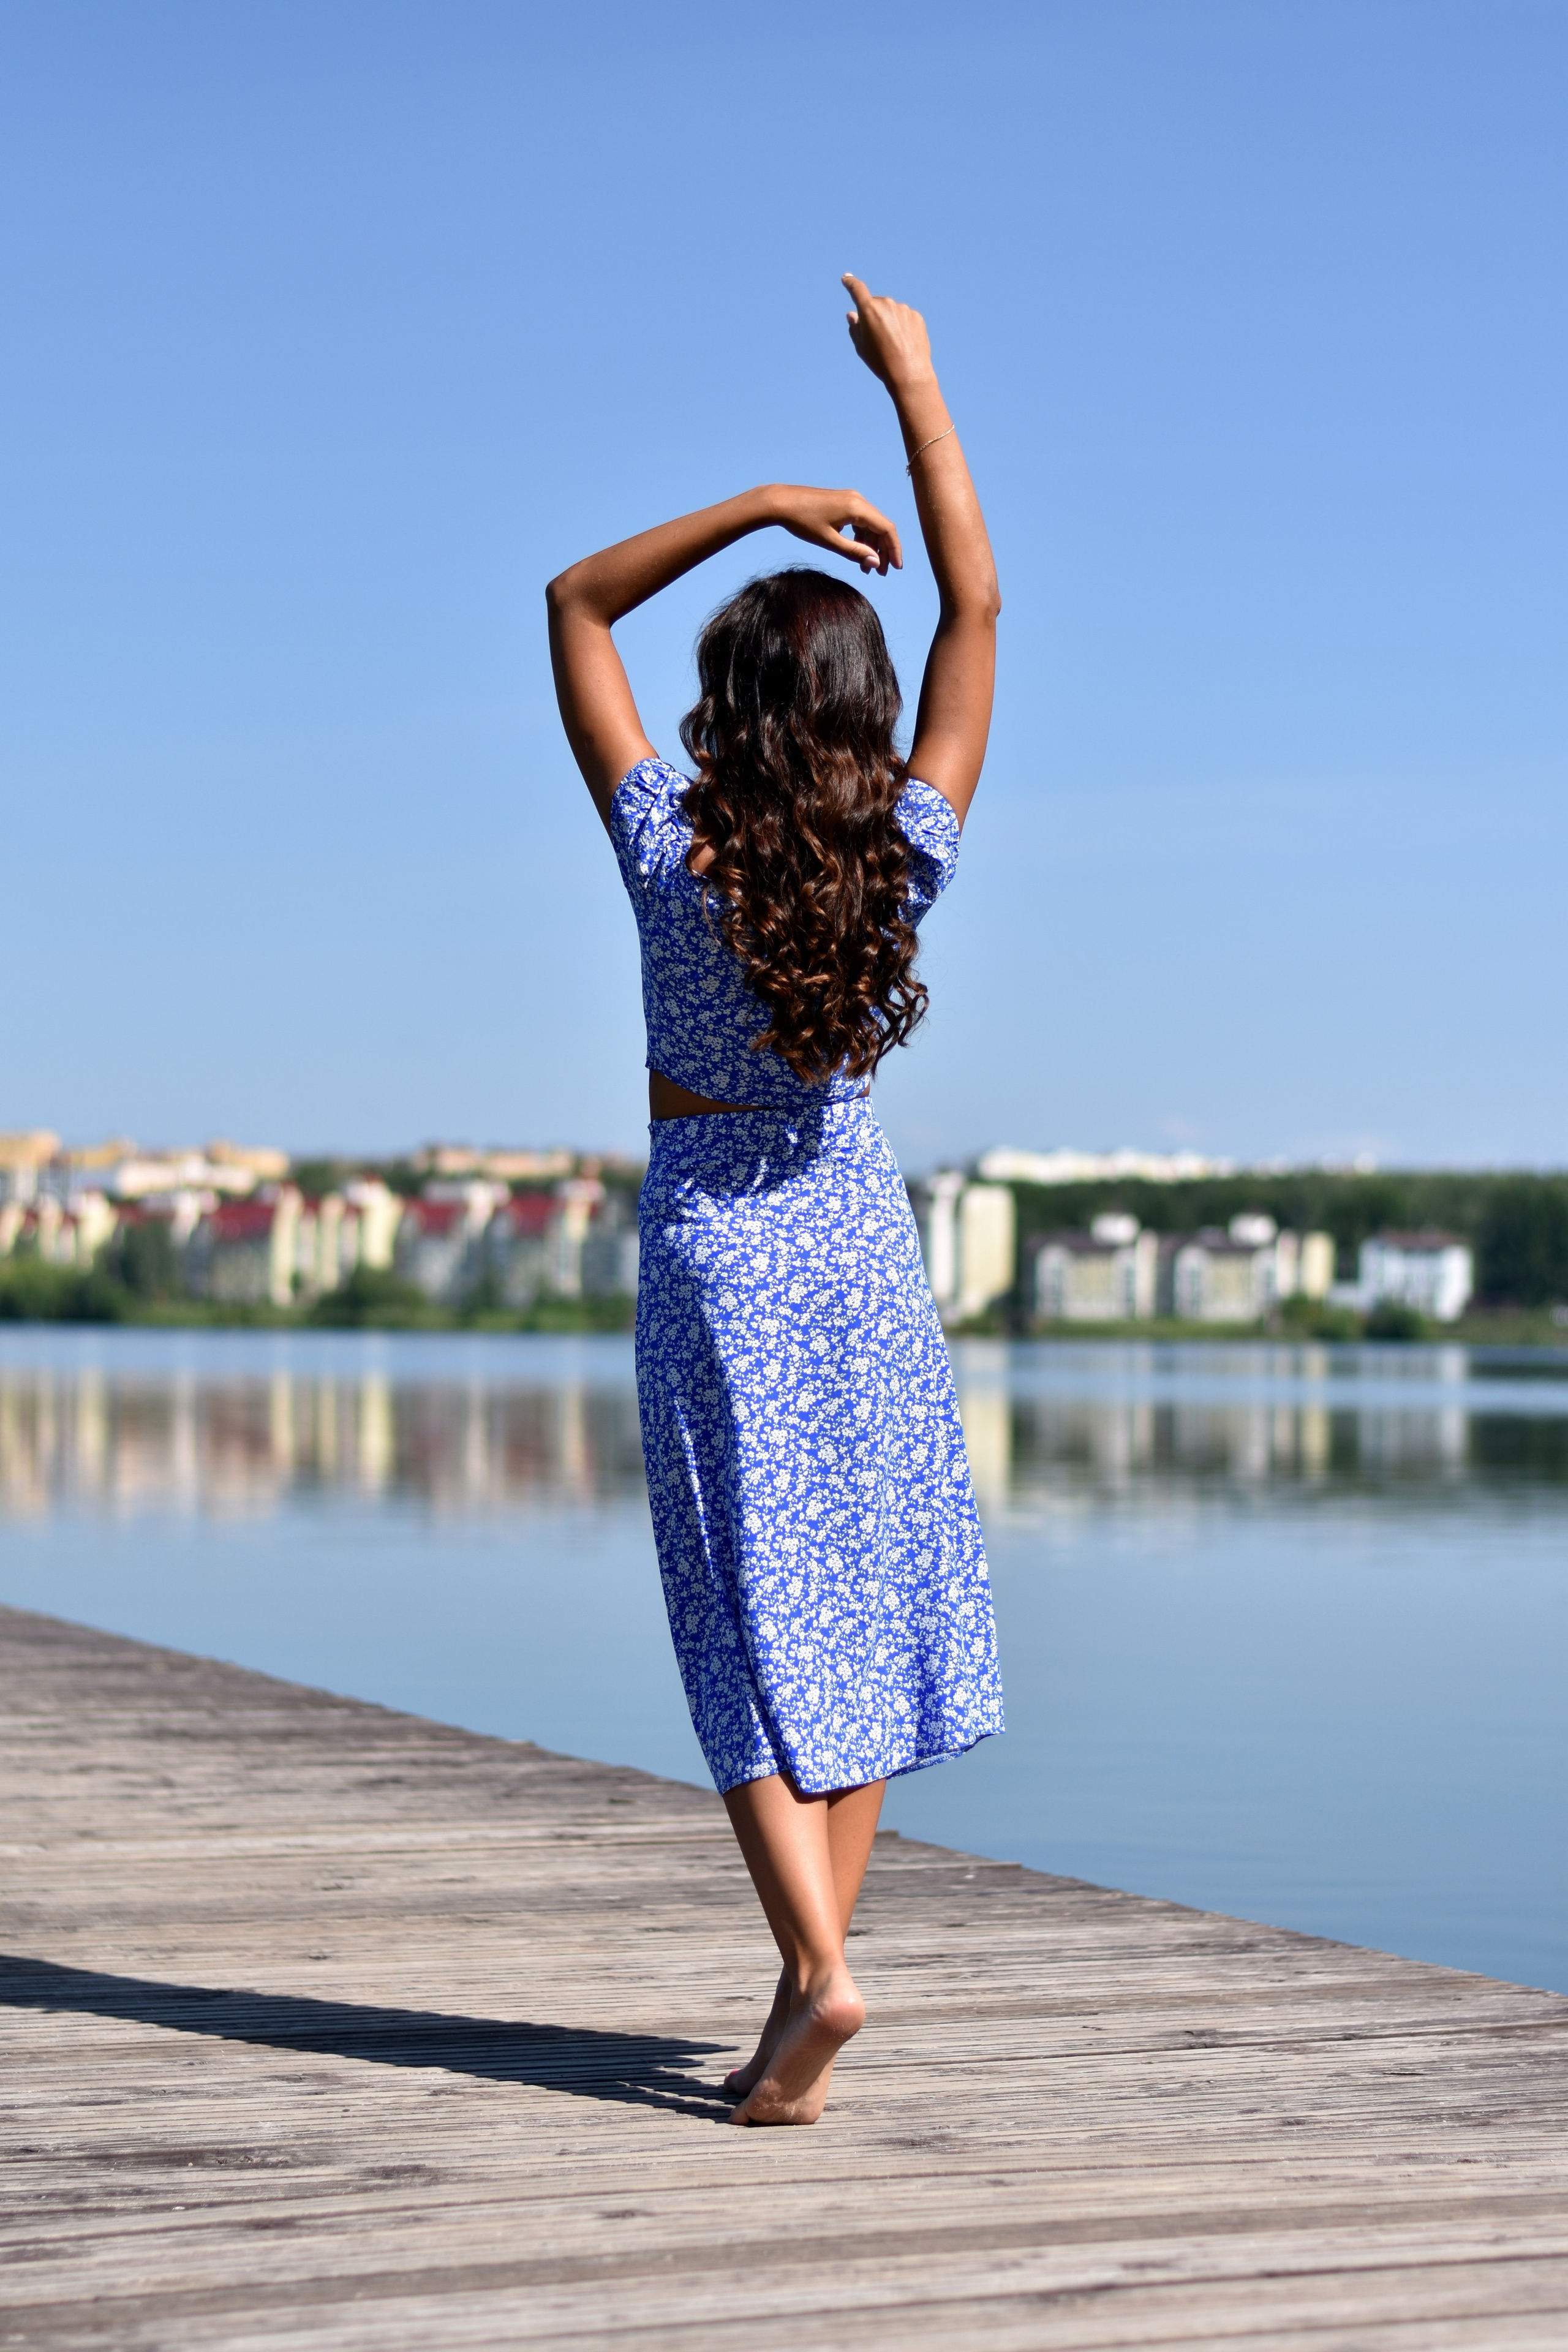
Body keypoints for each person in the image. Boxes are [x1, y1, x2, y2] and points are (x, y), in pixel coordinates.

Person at [546, 275, 1004, 2125]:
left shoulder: (672, 853)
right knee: (864, 1603)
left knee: (742, 1610)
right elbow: (975, 599)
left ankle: (817, 1973)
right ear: (858, 714)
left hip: (717, 1253)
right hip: (856, 1249)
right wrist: (919, 384)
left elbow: (572, 602)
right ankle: (802, 1993)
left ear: (728, 709)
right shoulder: (899, 855)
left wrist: (754, 501)